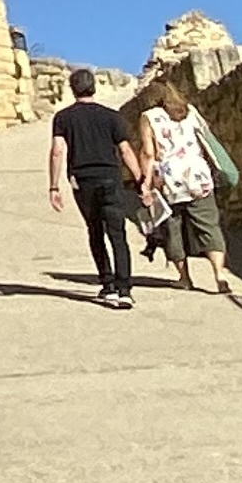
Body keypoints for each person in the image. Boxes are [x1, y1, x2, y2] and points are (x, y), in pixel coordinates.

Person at [47, 68, 141, 308]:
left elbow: (58, 151)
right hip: (110, 177)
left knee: (95, 230)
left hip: (82, 180)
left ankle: (107, 284)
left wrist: (54, 186)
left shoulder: (63, 118)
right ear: (94, 88)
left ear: (72, 89)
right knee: (117, 233)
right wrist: (140, 180)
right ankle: (124, 289)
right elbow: (125, 150)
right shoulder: (111, 117)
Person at [139, 92, 238, 296]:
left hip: (171, 179)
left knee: (172, 229)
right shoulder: (189, 111)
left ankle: (185, 278)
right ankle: (219, 276)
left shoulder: (148, 117)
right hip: (198, 175)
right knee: (208, 225)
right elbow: (206, 139)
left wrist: (146, 184)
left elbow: (148, 153)